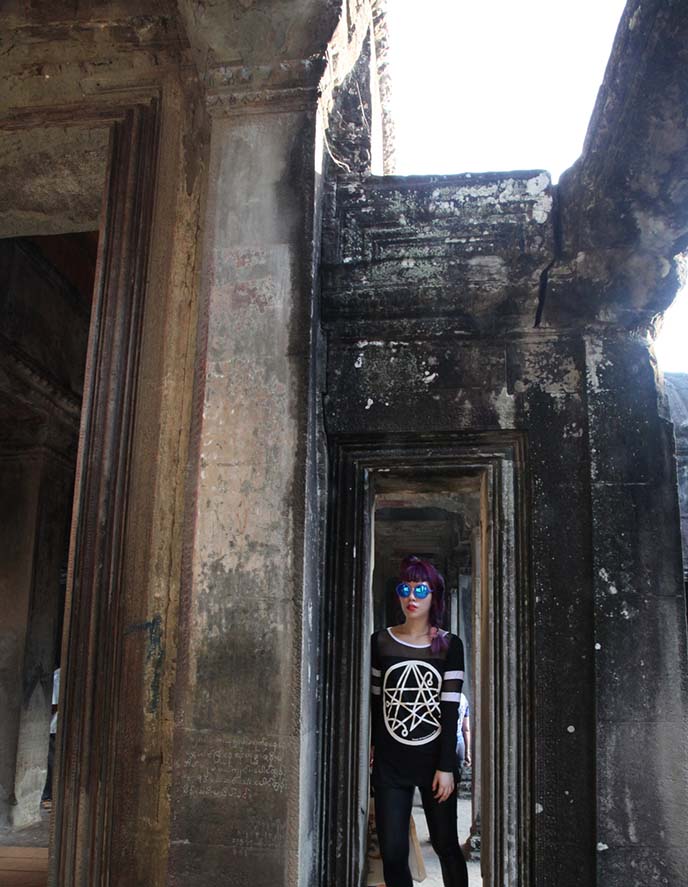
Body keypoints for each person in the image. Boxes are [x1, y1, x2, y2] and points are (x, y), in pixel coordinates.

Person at [370, 555, 469, 887]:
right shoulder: (380, 641)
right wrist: (373, 744)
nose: (411, 597)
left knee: (445, 846)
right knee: (394, 852)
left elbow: (450, 710)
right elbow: (376, 700)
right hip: (390, 765)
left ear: (433, 595)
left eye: (420, 589)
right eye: (405, 588)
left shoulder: (449, 646)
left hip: (434, 764)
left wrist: (447, 767)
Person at [456, 693, 471, 775]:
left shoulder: (445, 697)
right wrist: (467, 752)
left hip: (444, 743)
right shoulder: (463, 698)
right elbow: (466, 729)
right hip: (460, 744)